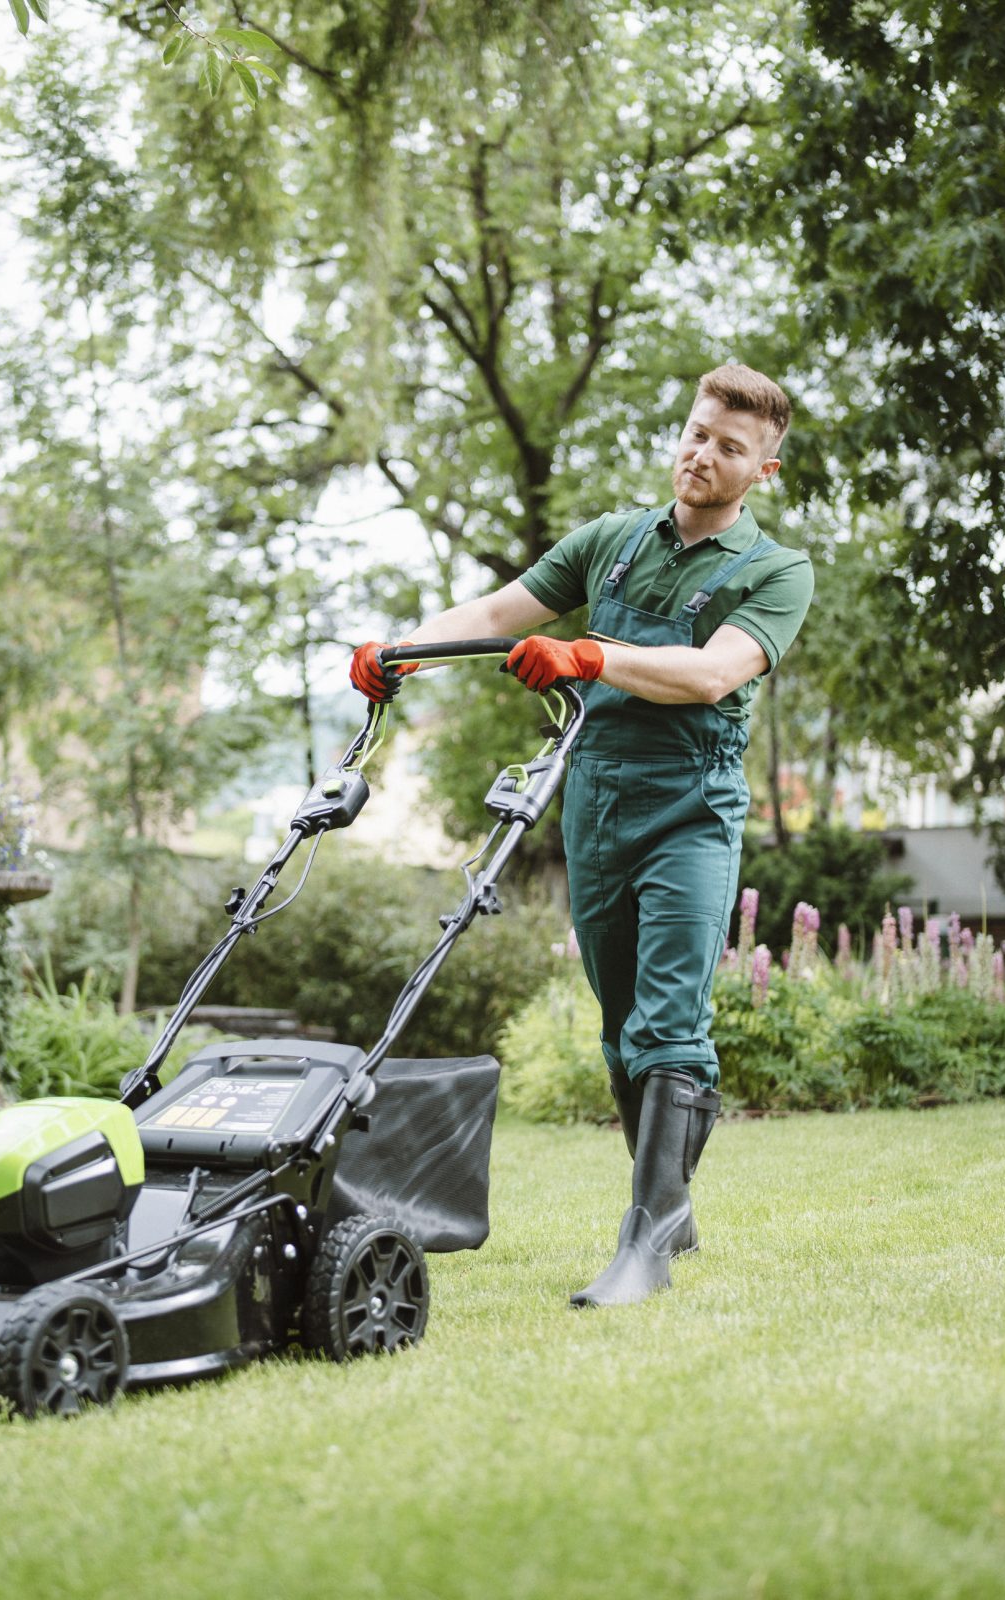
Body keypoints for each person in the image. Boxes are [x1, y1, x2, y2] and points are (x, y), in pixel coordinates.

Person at [349, 364, 814, 1307]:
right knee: (616, 1034)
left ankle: (646, 1234)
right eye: (697, 433)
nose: (704, 455)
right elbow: (493, 614)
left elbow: (713, 674)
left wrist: (594, 653)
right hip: (594, 800)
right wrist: (401, 651)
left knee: (667, 1021)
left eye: (731, 448)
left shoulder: (775, 571)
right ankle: (672, 1210)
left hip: (691, 807)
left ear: (761, 471)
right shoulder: (610, 544)